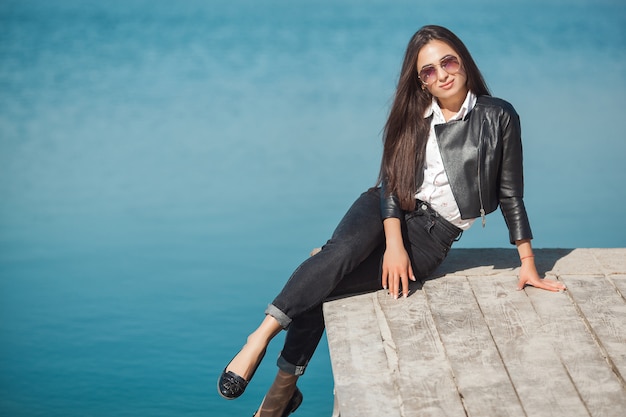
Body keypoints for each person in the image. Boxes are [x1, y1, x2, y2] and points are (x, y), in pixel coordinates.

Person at [217, 24, 566, 417]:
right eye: (429, 71)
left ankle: (282, 393)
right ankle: (258, 339)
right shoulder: (416, 115)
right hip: (386, 207)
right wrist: (394, 244)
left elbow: (510, 194)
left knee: (330, 284)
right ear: (421, 83)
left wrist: (528, 265)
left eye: (448, 61)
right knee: (342, 252)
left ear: (464, 62)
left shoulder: (498, 116)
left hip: (434, 237)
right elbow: (390, 183)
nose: (442, 74)